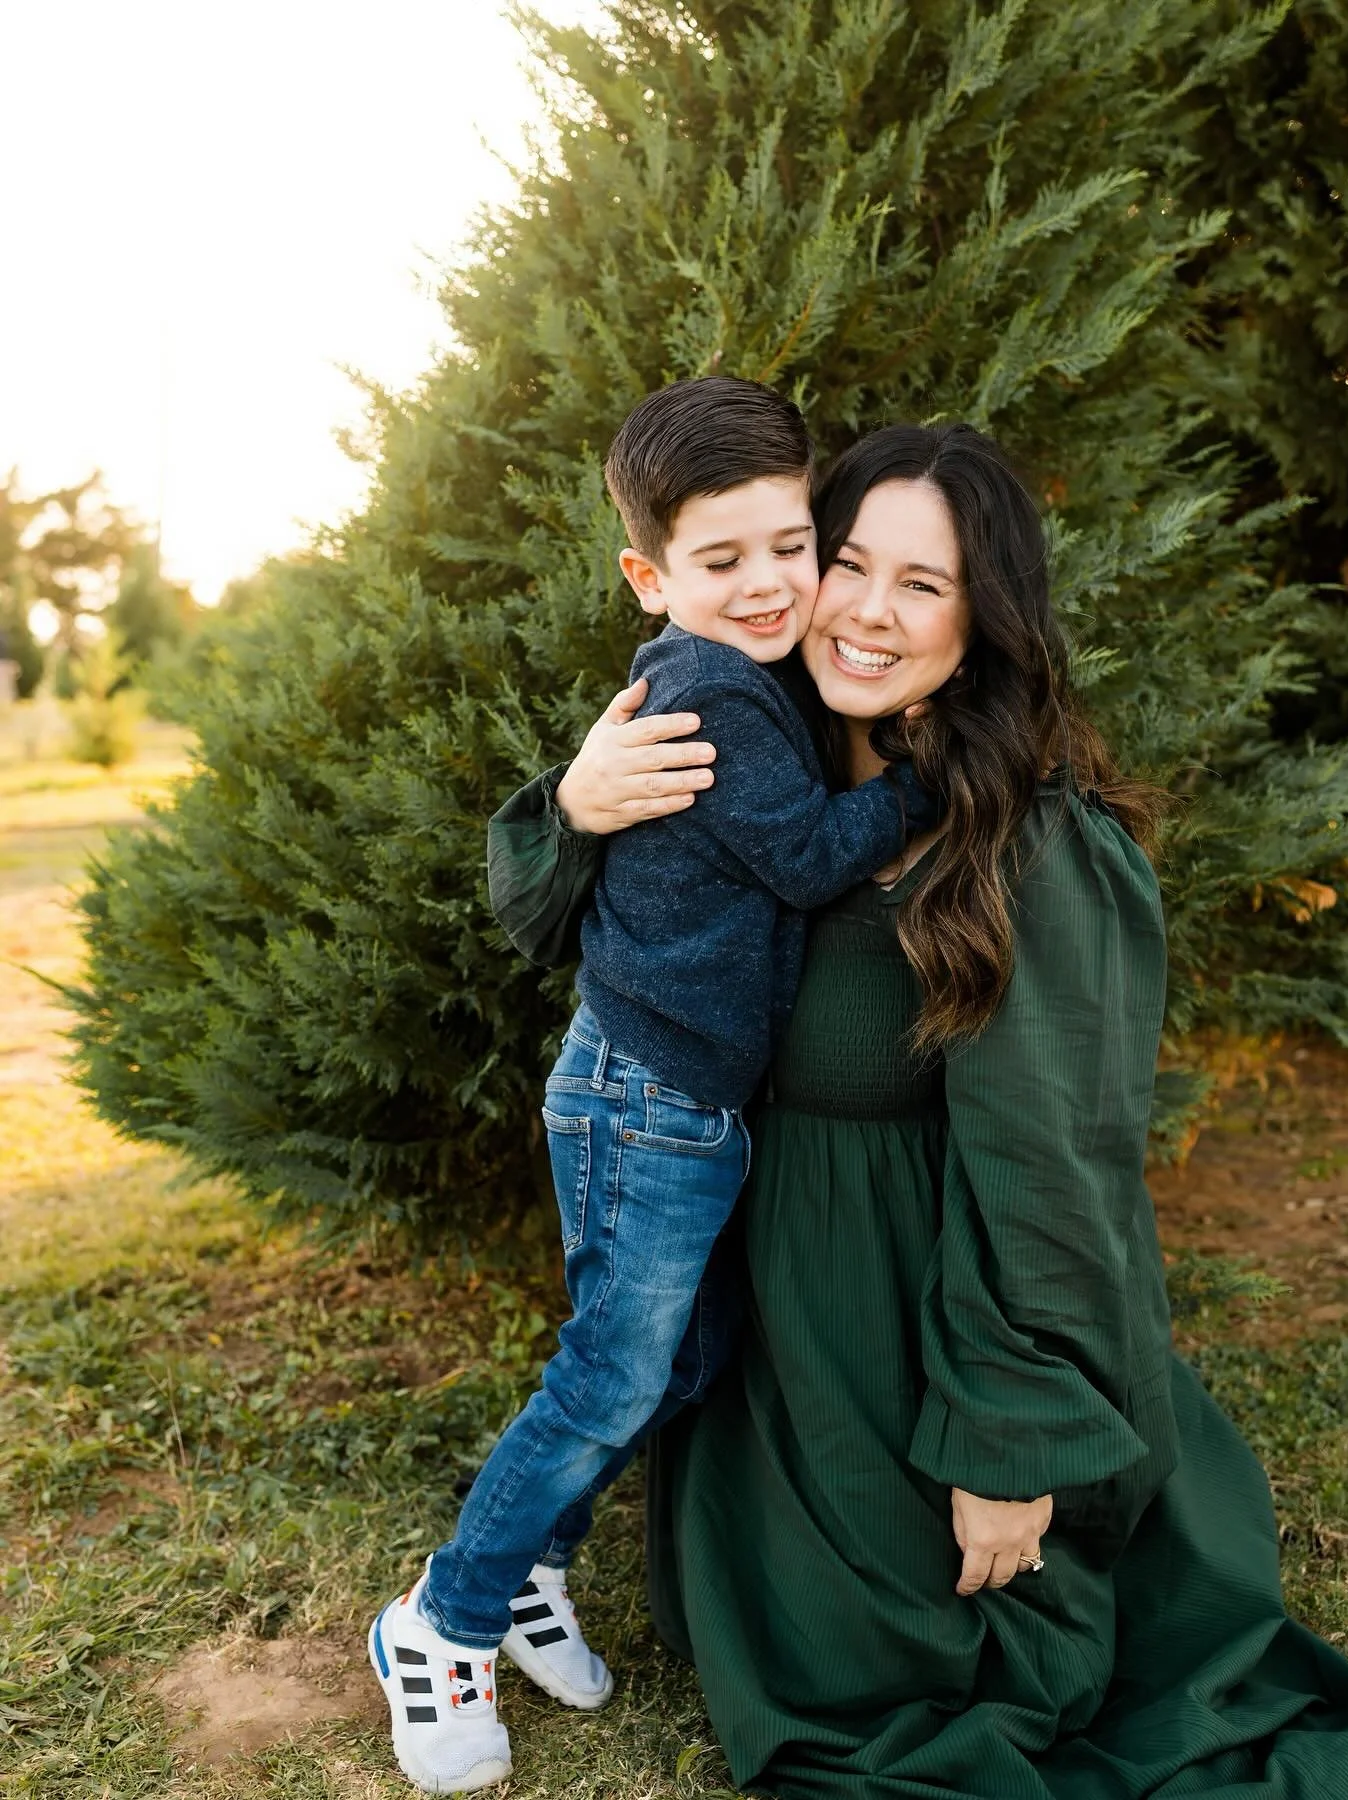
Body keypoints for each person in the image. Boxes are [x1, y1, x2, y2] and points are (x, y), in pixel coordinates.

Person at [486, 422, 1348, 1797]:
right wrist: (574, 802)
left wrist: (1007, 1441)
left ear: (987, 617)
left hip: (932, 1334)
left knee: (906, 1690)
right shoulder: (750, 749)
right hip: (780, 1341)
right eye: (848, 562)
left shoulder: (1029, 840)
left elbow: (1059, 1167)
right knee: (803, 1653)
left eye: (922, 584)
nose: (866, 609)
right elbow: (536, 911)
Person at [368, 378, 932, 1795]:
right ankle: (440, 1621)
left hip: (684, 1096)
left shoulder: (754, 676)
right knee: (611, 1372)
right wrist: (934, 777)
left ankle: (537, 1573)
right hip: (643, 1090)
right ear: (650, 574)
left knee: (676, 1360)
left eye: (789, 545)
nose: (769, 585)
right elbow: (811, 859)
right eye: (720, 560)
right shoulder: (708, 697)